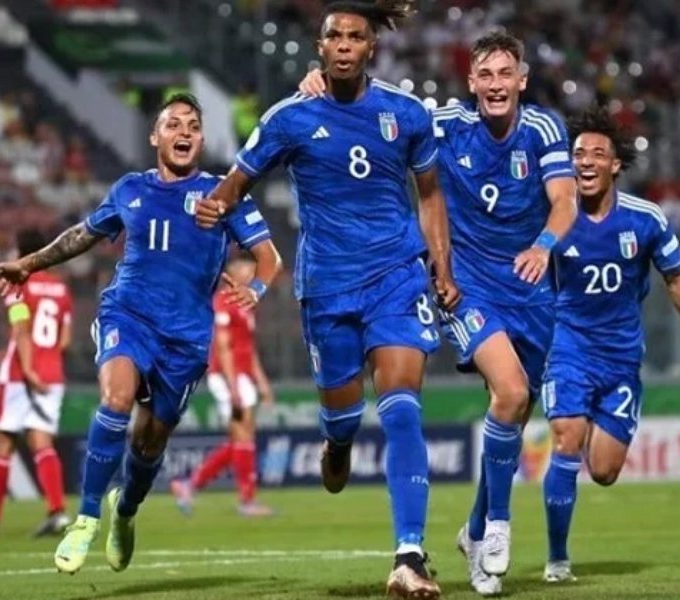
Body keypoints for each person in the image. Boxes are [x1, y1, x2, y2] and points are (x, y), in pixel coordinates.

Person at [297, 30, 576, 595]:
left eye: (505, 74)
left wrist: (544, 245)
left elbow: (565, 199)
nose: (495, 85)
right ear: (471, 81)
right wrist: (324, 85)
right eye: (485, 75)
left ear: (522, 80)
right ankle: (498, 526)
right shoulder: (444, 123)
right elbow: (381, 111)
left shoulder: (544, 129)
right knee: (511, 392)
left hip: (529, 287)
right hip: (465, 287)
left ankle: (473, 531)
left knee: (512, 411)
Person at [195, 2, 459, 597]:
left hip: (397, 276)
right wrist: (210, 214)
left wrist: (441, 266)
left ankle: (409, 555)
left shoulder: (406, 113)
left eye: (355, 36)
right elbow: (234, 186)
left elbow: (430, 195)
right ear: (320, 47)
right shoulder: (290, 118)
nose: (344, 44)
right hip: (328, 288)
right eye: (334, 35)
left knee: (402, 406)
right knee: (342, 418)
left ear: (372, 47)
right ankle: (337, 443)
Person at [0, 93, 283, 574]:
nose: (184, 132)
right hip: (127, 315)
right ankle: (85, 518)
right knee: (117, 398)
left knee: (149, 443)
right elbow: (81, 235)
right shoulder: (129, 190)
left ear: (201, 139)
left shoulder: (223, 193)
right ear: (155, 137)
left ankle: (124, 511)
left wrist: (258, 288)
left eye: (193, 126)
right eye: (173, 124)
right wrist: (30, 263)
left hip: (185, 339)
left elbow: (269, 257)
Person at [542, 105, 680, 582]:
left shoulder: (645, 219)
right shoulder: (552, 215)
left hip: (621, 358)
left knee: (604, 471)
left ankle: (592, 429)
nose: (585, 161)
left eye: (596, 154)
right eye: (578, 154)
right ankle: (558, 559)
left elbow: (676, 279)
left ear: (615, 165)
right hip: (567, 348)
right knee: (566, 438)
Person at [0, 228, 73, 539]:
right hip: (52, 375)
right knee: (42, 444)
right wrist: (44, 363)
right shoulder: (61, 289)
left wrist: (29, 368)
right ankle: (57, 512)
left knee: (2, 444)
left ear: (21, 252)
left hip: (19, 376)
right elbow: (64, 340)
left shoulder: (19, 283)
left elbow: (21, 329)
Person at [171, 253, 276, 517]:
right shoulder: (223, 301)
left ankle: (190, 485)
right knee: (243, 435)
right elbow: (223, 346)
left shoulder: (246, 302)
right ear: (234, 270)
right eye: (247, 267)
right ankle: (246, 501)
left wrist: (262, 382)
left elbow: (248, 348)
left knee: (242, 437)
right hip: (228, 376)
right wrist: (233, 386)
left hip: (243, 375)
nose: (251, 272)